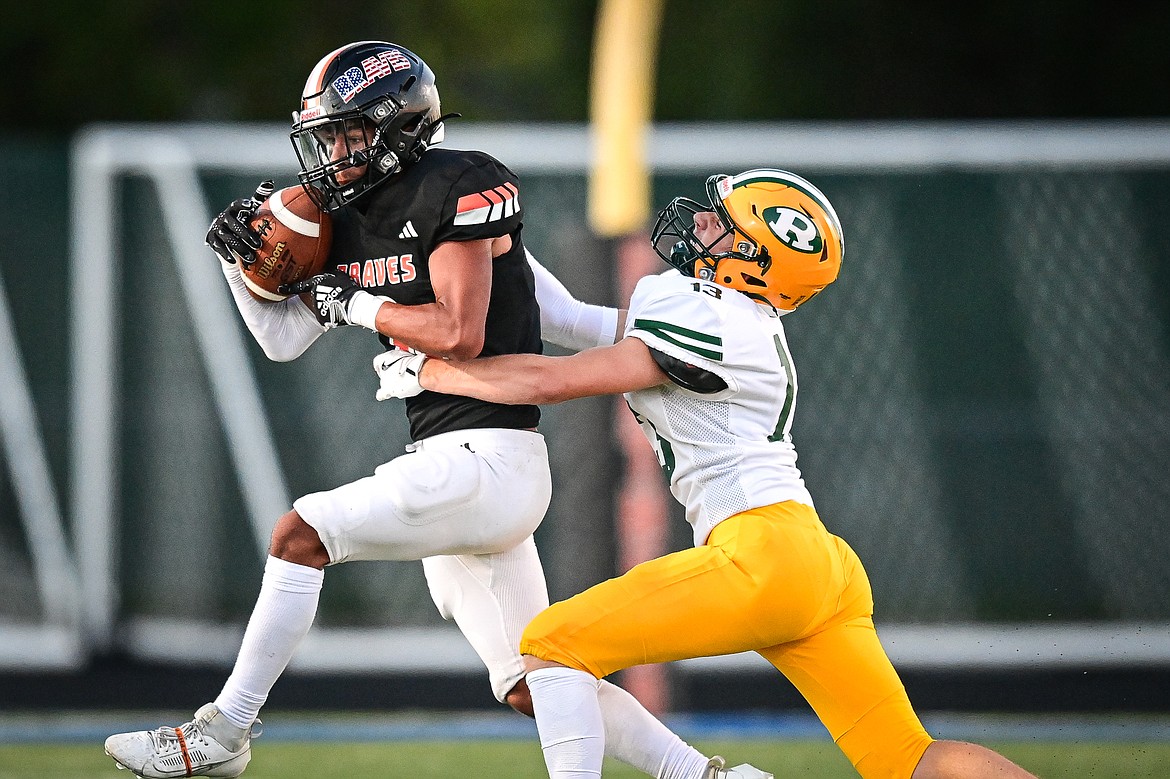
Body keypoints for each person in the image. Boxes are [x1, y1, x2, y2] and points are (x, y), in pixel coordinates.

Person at [103, 41, 766, 779]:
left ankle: (223, 731)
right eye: (325, 136)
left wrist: (355, 303)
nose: (331, 152)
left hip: (491, 461)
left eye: (347, 132)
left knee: (301, 533)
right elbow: (284, 339)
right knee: (532, 679)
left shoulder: (459, 184)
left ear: (397, 127)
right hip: (451, 464)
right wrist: (239, 268)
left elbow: (463, 331)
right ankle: (709, 776)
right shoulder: (346, 218)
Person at [372, 168, 1041, 779]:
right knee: (907, 756)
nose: (699, 223)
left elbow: (553, 380)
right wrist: (496, 239)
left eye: (722, 224)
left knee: (550, 643)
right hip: (816, 563)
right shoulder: (730, 317)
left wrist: (429, 370)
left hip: (762, 557)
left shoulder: (707, 314)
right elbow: (573, 320)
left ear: (757, 262)